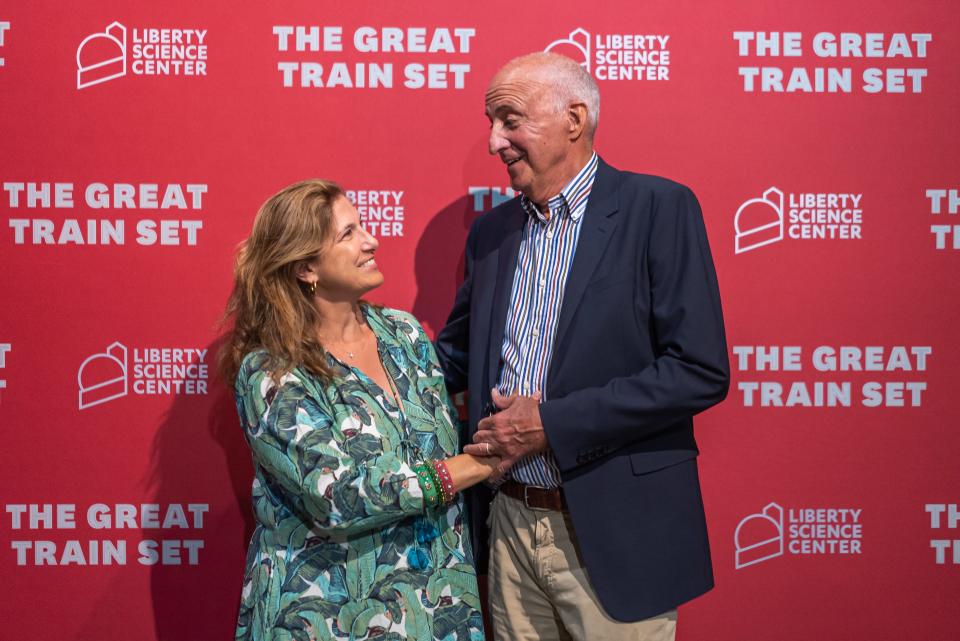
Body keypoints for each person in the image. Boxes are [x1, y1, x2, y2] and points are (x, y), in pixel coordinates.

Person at [435, 52, 730, 641]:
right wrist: (338, 360)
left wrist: (551, 424)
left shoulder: (658, 208)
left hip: (615, 533)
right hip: (510, 525)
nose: (495, 141)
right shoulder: (492, 232)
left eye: (509, 119)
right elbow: (452, 358)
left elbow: (698, 370)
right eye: (491, 122)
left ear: (574, 119)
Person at [219, 179, 495, 641]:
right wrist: (467, 468)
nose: (372, 240)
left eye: (362, 225)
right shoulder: (271, 373)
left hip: (437, 609)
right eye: (348, 234)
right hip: (326, 617)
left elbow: (431, 440)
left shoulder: (402, 333)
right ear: (307, 267)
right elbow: (337, 497)